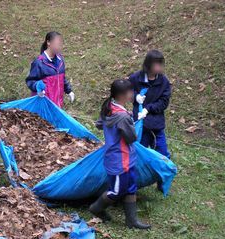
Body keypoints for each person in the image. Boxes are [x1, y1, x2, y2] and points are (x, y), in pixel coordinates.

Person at [89, 79, 151, 230]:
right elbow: (131, 137)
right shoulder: (122, 116)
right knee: (117, 191)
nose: (133, 93)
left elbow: (99, 124)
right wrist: (135, 120)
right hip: (119, 160)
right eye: (131, 91)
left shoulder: (109, 107)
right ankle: (96, 208)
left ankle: (132, 221)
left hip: (126, 158)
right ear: (124, 95)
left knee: (131, 187)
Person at [129, 50, 171, 159]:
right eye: (156, 64)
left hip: (156, 123)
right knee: (139, 152)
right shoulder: (136, 78)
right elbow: (127, 91)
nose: (158, 67)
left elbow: (164, 102)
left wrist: (148, 109)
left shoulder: (164, 82)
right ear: (148, 64)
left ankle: (161, 173)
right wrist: (135, 96)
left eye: (160, 64)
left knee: (161, 153)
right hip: (140, 123)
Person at [26, 31, 75, 108]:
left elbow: (62, 78)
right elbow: (30, 81)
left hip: (58, 105)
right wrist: (37, 87)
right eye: (57, 44)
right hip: (43, 105)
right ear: (48, 42)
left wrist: (69, 91)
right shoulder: (39, 62)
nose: (59, 47)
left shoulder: (60, 60)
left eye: (60, 44)